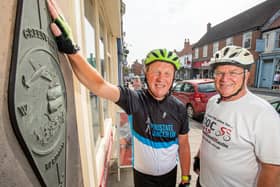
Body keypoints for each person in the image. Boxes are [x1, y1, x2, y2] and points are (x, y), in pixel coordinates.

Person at [47, 1, 191, 186]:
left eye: (167, 73)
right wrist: (71, 49)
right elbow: (98, 85)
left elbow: (184, 145)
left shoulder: (179, 109)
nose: (161, 78)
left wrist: (186, 178)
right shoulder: (134, 99)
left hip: (169, 176)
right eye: (156, 72)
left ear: (173, 78)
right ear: (146, 74)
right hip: (142, 178)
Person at [193, 45, 280, 187]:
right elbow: (208, 135)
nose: (224, 78)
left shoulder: (263, 114)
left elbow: (273, 168)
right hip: (202, 182)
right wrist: (199, 156)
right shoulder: (213, 101)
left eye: (233, 72)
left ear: (247, 75)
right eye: (219, 72)